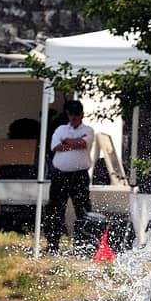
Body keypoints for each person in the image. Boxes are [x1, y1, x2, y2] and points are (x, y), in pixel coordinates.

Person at [43, 100, 94, 253]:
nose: (73, 117)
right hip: (60, 175)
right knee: (55, 210)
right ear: (68, 115)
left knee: (83, 210)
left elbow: (83, 144)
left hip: (79, 175)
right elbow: (55, 147)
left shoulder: (88, 130)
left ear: (82, 115)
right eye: (71, 114)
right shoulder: (60, 129)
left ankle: (83, 245)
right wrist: (73, 143)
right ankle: (52, 244)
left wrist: (67, 142)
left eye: (76, 114)